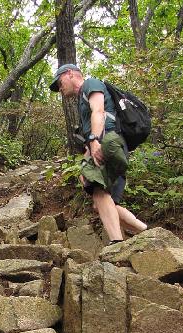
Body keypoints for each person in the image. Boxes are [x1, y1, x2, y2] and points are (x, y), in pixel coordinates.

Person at [49, 64, 147, 244]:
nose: (59, 88)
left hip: (108, 142)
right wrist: (85, 163)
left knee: (98, 191)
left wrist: (95, 140)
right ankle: (147, 232)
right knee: (102, 202)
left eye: (59, 82)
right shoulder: (81, 100)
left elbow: (99, 111)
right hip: (109, 144)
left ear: (70, 73)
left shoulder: (91, 84)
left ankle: (117, 242)